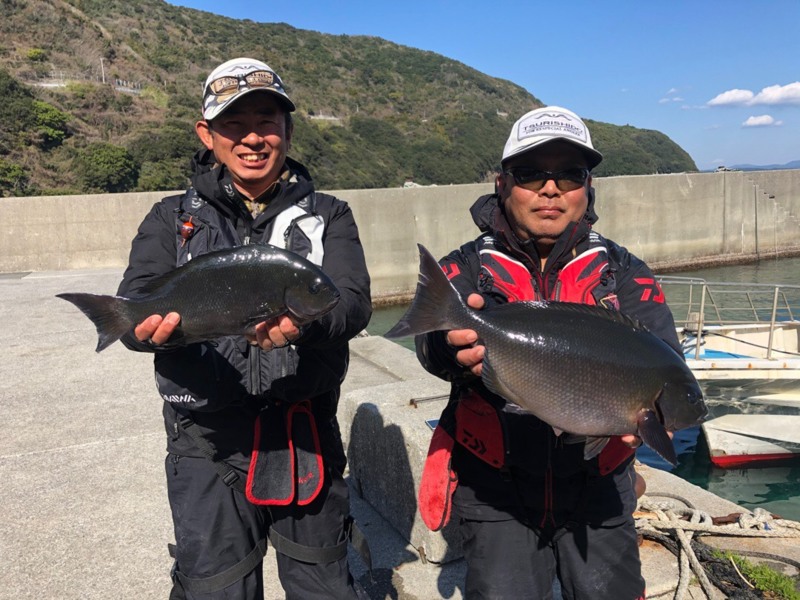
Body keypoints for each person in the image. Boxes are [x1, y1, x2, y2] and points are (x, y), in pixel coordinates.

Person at [117, 57, 372, 600]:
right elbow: (135, 306)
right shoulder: (169, 218)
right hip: (204, 442)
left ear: (288, 130)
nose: (252, 137)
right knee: (214, 587)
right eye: (233, 124)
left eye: (267, 120)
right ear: (206, 135)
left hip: (305, 434)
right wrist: (143, 330)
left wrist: (306, 326)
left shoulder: (330, 215)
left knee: (324, 582)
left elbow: (350, 304)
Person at [415, 106, 682, 599]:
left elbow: (663, 356)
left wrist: (658, 417)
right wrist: (450, 352)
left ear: (588, 188)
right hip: (496, 491)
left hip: (599, 490)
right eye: (531, 173)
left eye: (570, 174)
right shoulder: (465, 268)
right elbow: (430, 349)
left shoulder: (626, 273)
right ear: (502, 183)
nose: (550, 188)